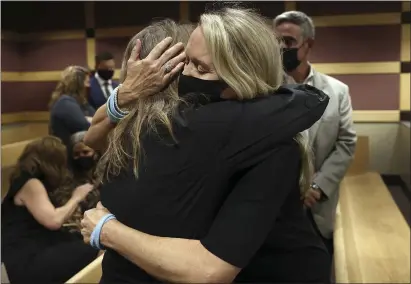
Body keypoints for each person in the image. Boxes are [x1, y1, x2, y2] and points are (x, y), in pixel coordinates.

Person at [81, 11, 330, 284]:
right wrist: (127, 92)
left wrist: (107, 230)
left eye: (199, 68)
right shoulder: (163, 128)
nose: (182, 75)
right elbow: (94, 137)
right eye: (185, 62)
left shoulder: (265, 141)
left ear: (242, 78)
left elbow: (209, 268)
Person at [274, 11, 357, 256]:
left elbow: (346, 143)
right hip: (275, 206)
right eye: (277, 41)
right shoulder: (265, 89)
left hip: (318, 206)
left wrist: (317, 186)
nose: (281, 48)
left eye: (288, 41)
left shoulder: (337, 90)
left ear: (308, 44)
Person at [1, 136, 99, 283]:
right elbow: (53, 221)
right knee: (100, 250)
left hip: (30, 253)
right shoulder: (31, 184)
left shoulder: (25, 181)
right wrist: (76, 197)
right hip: (29, 260)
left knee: (87, 241)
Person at [49, 66, 96, 149]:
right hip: (66, 153)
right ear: (79, 83)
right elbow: (85, 126)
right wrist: (88, 119)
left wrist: (89, 119)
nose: (89, 86)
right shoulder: (65, 101)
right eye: (87, 82)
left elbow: (96, 119)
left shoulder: (81, 102)